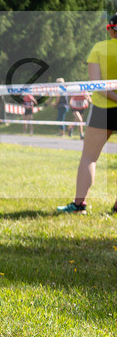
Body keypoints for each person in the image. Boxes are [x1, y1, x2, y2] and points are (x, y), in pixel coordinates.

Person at [57, 14, 117, 214]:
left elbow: (96, 86)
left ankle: (79, 205)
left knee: (89, 157)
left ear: (109, 29)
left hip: (103, 109)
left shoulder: (99, 48)